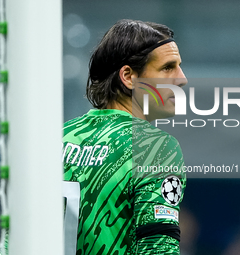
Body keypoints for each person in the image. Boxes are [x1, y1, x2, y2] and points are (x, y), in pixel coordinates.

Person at [63, 19, 188, 255]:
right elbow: (158, 250)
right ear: (129, 76)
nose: (182, 78)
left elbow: (12, 242)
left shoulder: (57, 138)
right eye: (168, 67)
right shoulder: (154, 147)